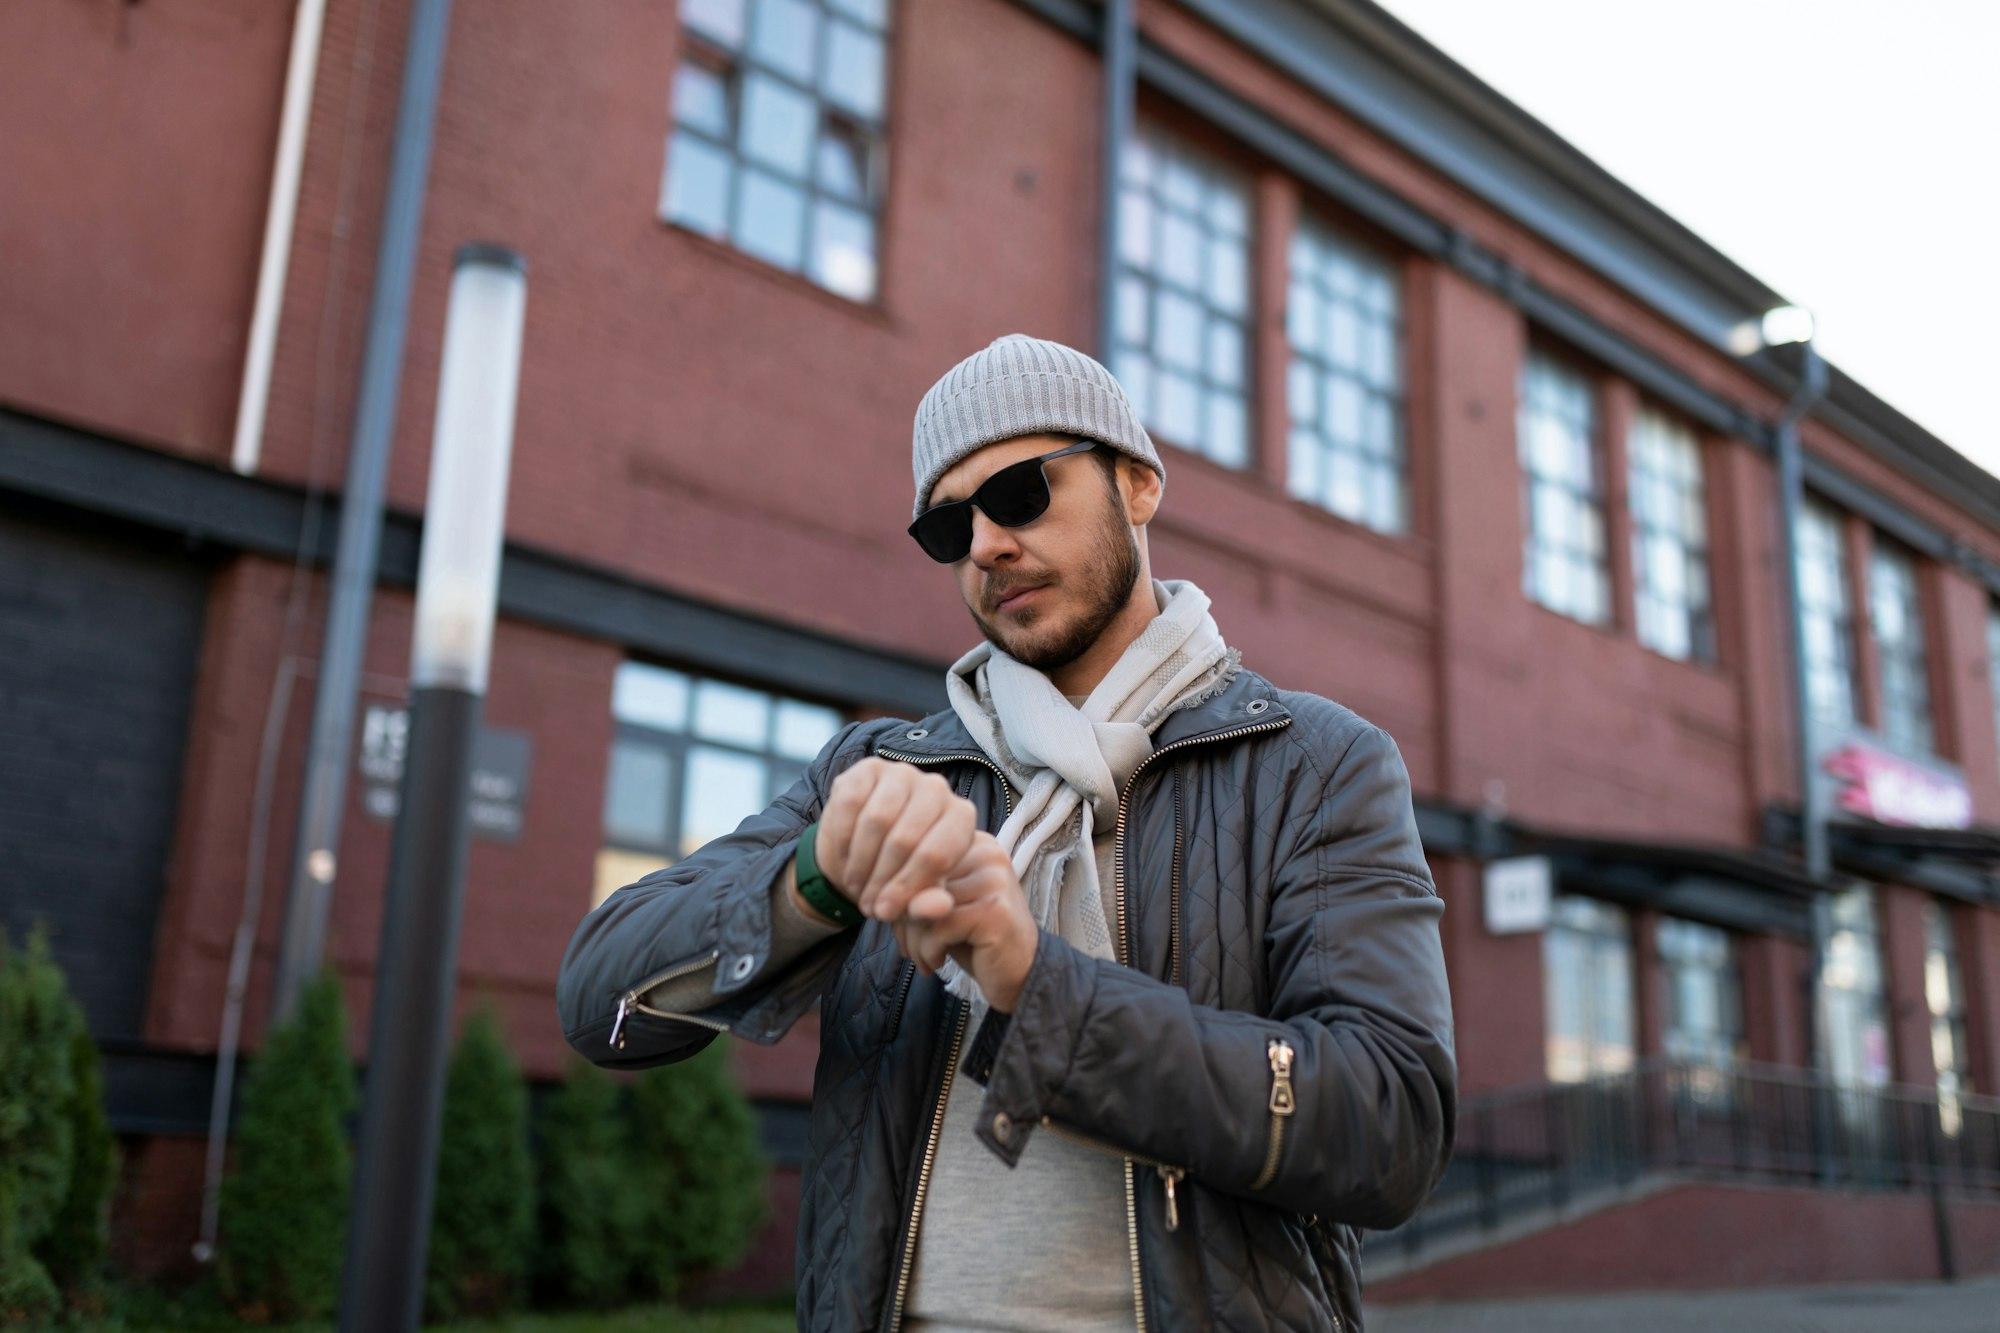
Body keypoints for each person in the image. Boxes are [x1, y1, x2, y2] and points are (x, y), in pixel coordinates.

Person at [556, 332, 1456, 1331]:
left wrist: (1037, 988)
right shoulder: (882, 773)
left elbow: (1392, 1126)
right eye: (948, 527)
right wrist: (810, 886)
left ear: (1137, 484)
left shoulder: (1313, 763)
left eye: (1021, 491)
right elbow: (600, 1003)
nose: (985, 542)